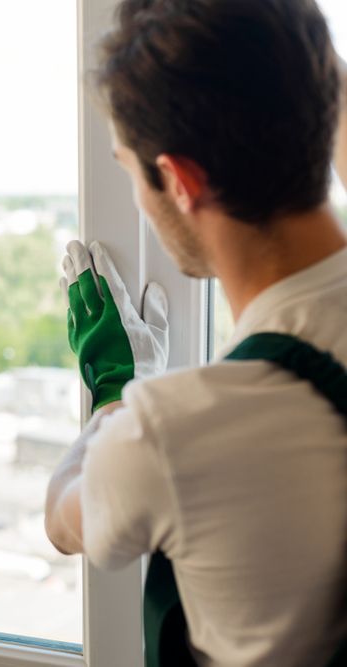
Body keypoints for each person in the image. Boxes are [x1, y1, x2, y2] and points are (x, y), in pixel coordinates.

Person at [44, 1, 347, 665]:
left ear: (178, 180)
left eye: (128, 169)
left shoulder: (175, 433)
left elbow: (63, 517)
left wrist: (118, 390)